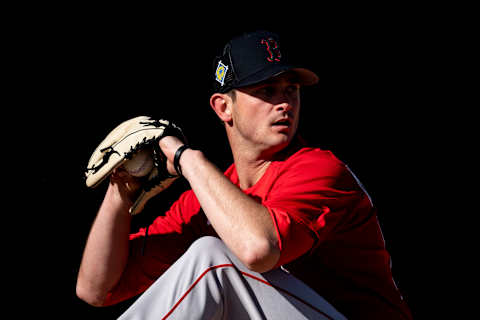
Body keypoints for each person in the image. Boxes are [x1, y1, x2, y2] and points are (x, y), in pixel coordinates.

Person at [76, 30, 412, 319]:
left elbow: (258, 250)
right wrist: (120, 192)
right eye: (267, 90)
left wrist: (187, 159)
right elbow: (95, 289)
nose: (284, 103)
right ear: (224, 107)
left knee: (211, 259)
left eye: (291, 89)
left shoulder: (318, 168)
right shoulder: (208, 198)